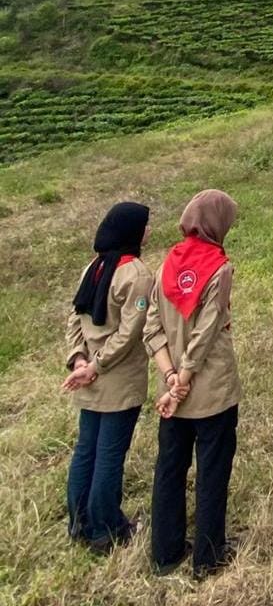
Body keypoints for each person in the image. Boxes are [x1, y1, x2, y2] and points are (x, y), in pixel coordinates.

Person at [143, 189, 241, 580]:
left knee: (169, 467)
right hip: (211, 389)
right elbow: (206, 332)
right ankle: (208, 556)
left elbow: (151, 326)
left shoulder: (167, 262)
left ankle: (165, 553)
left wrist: (169, 378)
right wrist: (182, 380)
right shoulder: (220, 267)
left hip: (173, 394)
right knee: (212, 470)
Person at [63, 202, 153, 553]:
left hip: (88, 378)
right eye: (144, 226)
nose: (147, 231)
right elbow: (131, 333)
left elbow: (74, 317)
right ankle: (106, 529)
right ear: (132, 231)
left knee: (86, 450)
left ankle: (78, 520)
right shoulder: (137, 275)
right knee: (110, 454)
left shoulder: (93, 267)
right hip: (116, 381)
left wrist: (78, 360)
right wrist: (95, 365)